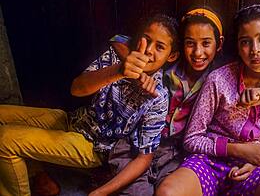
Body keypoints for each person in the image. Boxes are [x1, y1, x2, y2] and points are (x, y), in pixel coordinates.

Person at [109, 7, 260, 195]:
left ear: (219, 44)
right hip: (140, 141)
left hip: (175, 150)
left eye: (206, 43)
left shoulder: (220, 72)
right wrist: (135, 69)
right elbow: (118, 40)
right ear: (178, 48)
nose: (197, 53)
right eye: (190, 43)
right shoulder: (169, 61)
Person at [0, 14, 179, 196]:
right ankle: (40, 178)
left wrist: (100, 192)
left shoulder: (158, 96)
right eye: (147, 39)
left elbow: (145, 156)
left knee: (5, 141)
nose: (149, 50)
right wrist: (119, 71)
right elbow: (76, 88)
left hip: (93, 146)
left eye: (160, 47)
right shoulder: (118, 57)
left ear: (171, 56)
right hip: (74, 119)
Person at [156, 5, 260, 196]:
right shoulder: (219, 79)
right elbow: (192, 139)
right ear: (237, 46)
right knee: (167, 193)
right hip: (207, 161)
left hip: (252, 168)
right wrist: (237, 150)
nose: (255, 50)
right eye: (245, 42)